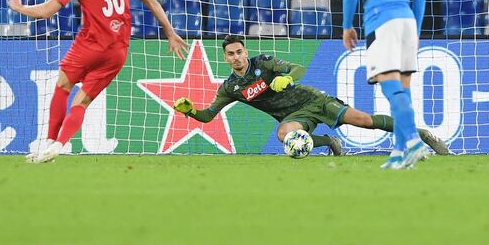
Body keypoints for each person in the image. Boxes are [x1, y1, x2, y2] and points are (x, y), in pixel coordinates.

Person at [10, 0, 188, 163]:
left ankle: (50, 144)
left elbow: (46, 12)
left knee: (63, 86)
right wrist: (170, 32)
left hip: (88, 46)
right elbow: (152, 2)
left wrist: (21, 8)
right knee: (81, 102)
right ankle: (59, 145)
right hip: (116, 51)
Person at [172, 35, 449, 156]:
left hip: (313, 100)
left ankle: (421, 133)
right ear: (225, 57)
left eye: (239, 52)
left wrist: (286, 77)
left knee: (364, 120)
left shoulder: (264, 63)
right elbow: (208, 116)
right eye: (230, 54)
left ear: (245, 52)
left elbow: (297, 67)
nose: (236, 57)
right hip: (294, 117)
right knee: (284, 133)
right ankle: (326, 140)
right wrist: (190, 111)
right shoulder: (229, 88)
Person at [341, 0, 428, 169]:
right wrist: (418, 28)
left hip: (382, 20)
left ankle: (413, 141)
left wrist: (347, 25)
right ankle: (400, 153)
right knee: (403, 88)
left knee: (389, 86)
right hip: (407, 20)